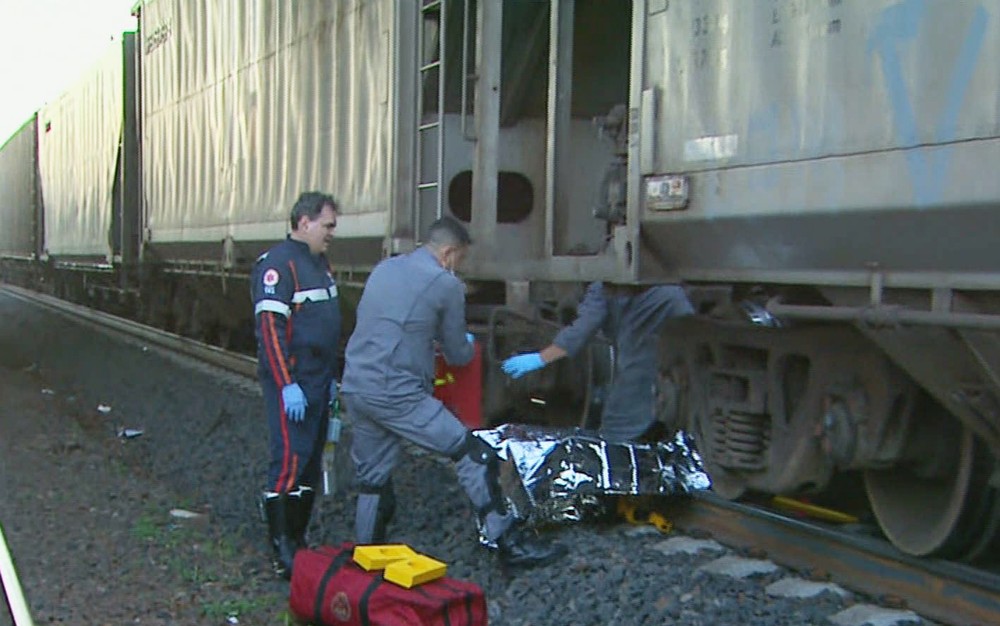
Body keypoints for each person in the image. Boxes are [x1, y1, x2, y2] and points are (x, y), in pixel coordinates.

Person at [340, 216, 565, 568]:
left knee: (372, 479)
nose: (459, 268)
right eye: (460, 260)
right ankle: (508, 543)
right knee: (472, 453)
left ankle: (367, 559)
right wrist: (468, 342)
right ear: (448, 253)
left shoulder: (384, 269)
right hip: (397, 395)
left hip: (356, 386)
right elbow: (458, 353)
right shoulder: (445, 285)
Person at [251, 191, 342, 579]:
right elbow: (270, 331)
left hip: (319, 381)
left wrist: (333, 378)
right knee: (288, 459)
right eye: (328, 225)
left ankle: (298, 540)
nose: (332, 233)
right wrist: (287, 384)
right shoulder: (278, 266)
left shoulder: (320, 264)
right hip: (295, 381)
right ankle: (282, 548)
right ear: (304, 223)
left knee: (308, 462)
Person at [501, 282, 694, 442]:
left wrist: (540, 358)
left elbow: (582, 330)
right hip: (679, 329)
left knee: (620, 422)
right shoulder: (658, 286)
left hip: (647, 344)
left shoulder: (602, 286)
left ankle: (620, 465)